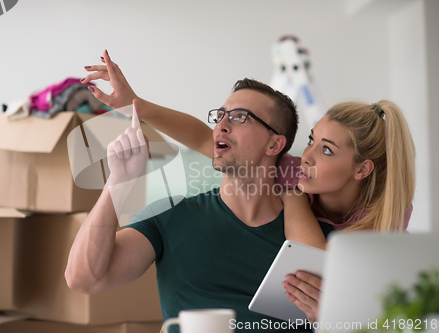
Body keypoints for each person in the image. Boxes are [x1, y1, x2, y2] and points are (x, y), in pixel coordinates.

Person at [77, 49, 415, 326]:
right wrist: (132, 108)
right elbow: (198, 135)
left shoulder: (374, 225)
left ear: (274, 144)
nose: (221, 125)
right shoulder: (291, 171)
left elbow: (322, 269)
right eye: (220, 115)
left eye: (239, 117)